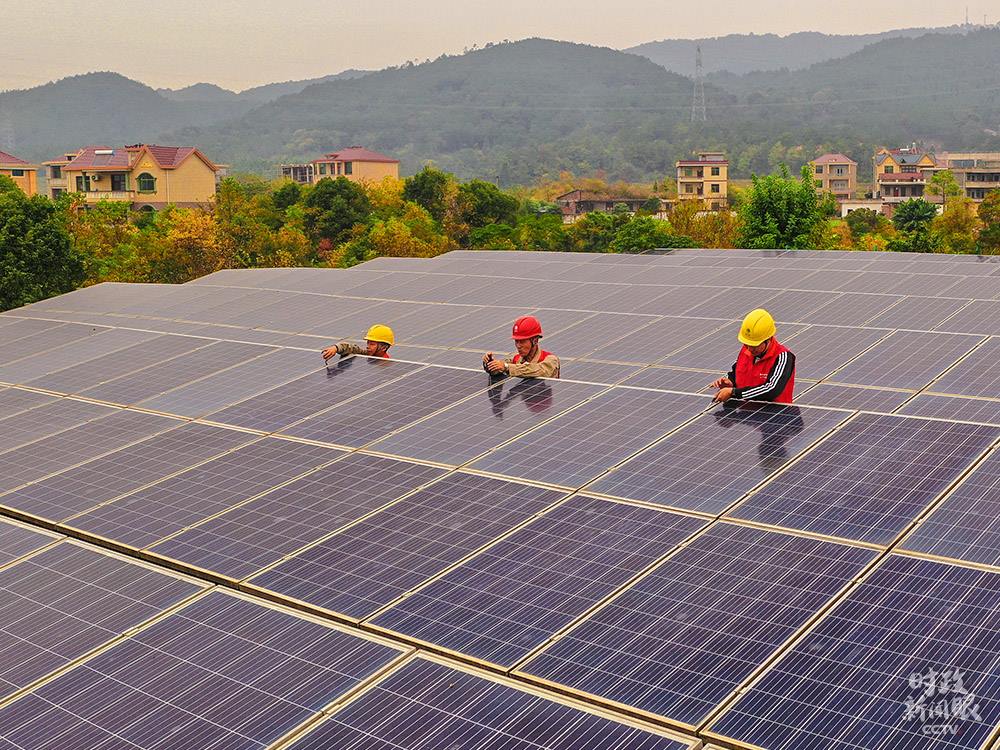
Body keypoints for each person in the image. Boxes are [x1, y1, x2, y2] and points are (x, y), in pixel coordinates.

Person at [710, 309, 795, 403]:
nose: (750, 349)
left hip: (775, 411)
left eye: (755, 345)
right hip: (744, 408)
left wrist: (734, 392)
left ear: (768, 339)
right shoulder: (746, 350)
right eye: (747, 344)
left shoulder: (783, 357)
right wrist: (730, 381)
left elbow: (772, 389)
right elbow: (736, 372)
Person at [482, 315, 560, 379]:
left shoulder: (551, 359)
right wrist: (491, 365)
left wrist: (506, 367)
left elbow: (537, 370)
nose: (518, 346)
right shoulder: (515, 358)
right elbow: (500, 370)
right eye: (516, 341)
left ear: (535, 340)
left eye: (522, 341)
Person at [322, 324, 394, 361]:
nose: (368, 346)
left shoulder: (386, 367)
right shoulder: (367, 354)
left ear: (384, 347)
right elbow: (352, 348)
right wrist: (336, 348)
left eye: (372, 344)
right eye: (368, 343)